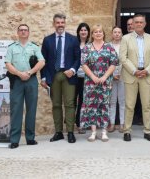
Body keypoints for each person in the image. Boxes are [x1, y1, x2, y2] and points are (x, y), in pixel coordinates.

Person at [41, 13, 81, 144]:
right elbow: (43, 60)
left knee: (70, 104)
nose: (60, 25)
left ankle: (70, 132)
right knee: (56, 105)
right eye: (58, 23)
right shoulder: (47, 40)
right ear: (54, 24)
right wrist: (43, 77)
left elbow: (78, 59)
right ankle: (58, 132)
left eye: (62, 22)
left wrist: (73, 70)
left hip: (69, 75)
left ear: (65, 24)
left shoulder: (73, 39)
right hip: (54, 76)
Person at [119, 14, 150, 142]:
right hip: (131, 75)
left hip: (146, 75)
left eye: (141, 22)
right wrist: (134, 71)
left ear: (145, 24)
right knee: (129, 105)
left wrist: (147, 70)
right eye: (136, 22)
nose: (139, 24)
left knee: (147, 105)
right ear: (133, 23)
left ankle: (147, 131)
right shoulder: (126, 38)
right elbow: (123, 58)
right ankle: (127, 131)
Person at [5, 24, 45, 149]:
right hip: (16, 81)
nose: (23, 32)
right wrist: (18, 73)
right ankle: (14, 140)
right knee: (16, 110)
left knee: (31, 109)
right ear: (18, 32)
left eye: (25, 30)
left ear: (28, 32)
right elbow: (8, 64)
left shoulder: (34, 47)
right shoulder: (11, 48)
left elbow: (41, 62)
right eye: (21, 30)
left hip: (31, 80)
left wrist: (29, 72)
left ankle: (30, 138)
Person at [80, 24, 118, 142]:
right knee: (91, 106)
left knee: (104, 105)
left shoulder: (109, 47)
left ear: (103, 33)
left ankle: (104, 132)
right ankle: (93, 132)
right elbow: (84, 64)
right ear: (92, 34)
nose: (98, 33)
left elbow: (114, 63)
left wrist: (105, 76)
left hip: (105, 82)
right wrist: (93, 77)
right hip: (90, 83)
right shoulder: (87, 47)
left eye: (100, 31)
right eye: (95, 32)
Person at [107, 26, 125, 133]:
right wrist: (112, 74)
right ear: (112, 34)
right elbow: (105, 62)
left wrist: (122, 72)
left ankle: (122, 124)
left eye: (119, 32)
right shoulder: (107, 46)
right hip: (111, 76)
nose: (117, 34)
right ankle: (112, 123)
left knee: (122, 101)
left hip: (123, 75)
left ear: (122, 34)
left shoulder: (125, 45)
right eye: (115, 32)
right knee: (112, 101)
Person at [75, 22, 90, 134]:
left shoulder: (91, 45)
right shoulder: (74, 44)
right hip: (74, 76)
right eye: (81, 30)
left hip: (86, 77)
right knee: (72, 101)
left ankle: (81, 124)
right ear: (78, 32)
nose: (83, 32)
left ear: (88, 32)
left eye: (85, 30)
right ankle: (71, 123)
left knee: (83, 101)